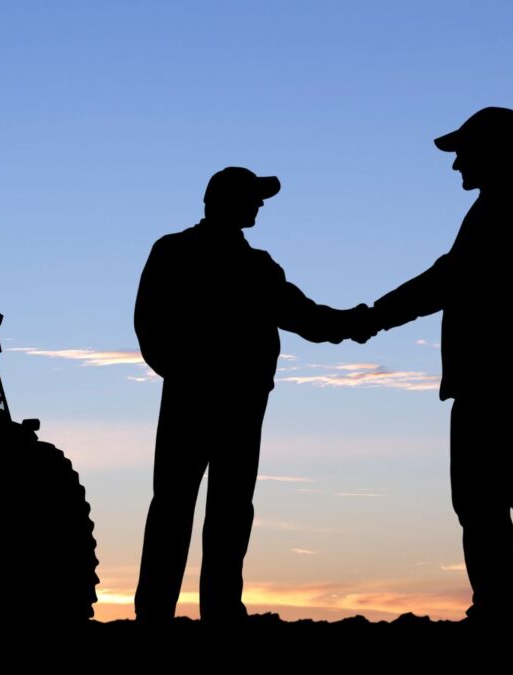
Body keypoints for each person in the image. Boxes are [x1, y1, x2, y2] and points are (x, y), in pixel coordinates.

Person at [366, 107, 513, 624]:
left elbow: (451, 277)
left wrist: (374, 316)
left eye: (464, 151)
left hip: (506, 377)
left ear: (494, 150)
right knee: (500, 497)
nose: (456, 163)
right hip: (510, 374)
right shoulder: (509, 201)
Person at [133, 167, 372, 623]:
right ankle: (172, 615)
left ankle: (204, 612)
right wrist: (358, 322)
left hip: (229, 401)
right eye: (253, 198)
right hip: (213, 399)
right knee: (186, 505)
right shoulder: (186, 253)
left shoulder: (248, 263)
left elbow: (307, 317)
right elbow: (151, 325)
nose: (260, 206)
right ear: (224, 201)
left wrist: (355, 322)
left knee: (216, 507)